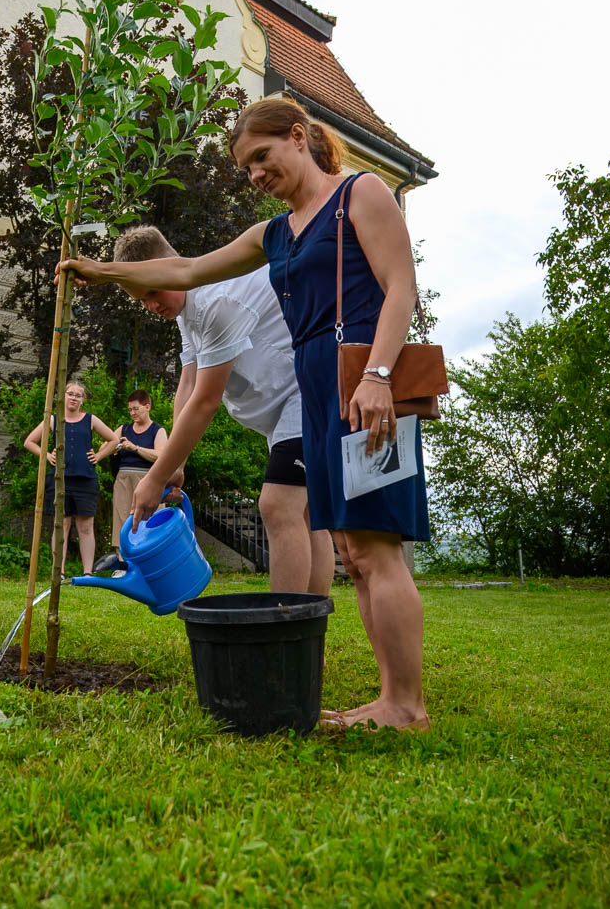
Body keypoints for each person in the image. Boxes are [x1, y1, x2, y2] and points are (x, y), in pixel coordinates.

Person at [60, 98, 430, 731]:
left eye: (262, 157)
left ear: (297, 137)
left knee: (376, 548)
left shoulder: (361, 194)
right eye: (246, 168)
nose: (256, 174)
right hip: (318, 388)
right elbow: (185, 267)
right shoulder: (275, 234)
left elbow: (403, 287)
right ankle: (390, 698)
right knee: (353, 550)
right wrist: (103, 270)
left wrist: (379, 376)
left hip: (368, 378)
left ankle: (406, 704)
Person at [109, 226, 334, 596]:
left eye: (153, 291)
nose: (151, 305)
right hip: (284, 408)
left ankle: (285, 636)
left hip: (310, 390)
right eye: (141, 300)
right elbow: (188, 382)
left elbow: (205, 401)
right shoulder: (187, 309)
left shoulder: (217, 299)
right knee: (306, 517)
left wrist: (154, 478)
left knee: (278, 505)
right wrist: (173, 463)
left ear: (173, 266)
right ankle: (307, 647)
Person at [22, 381, 120, 575]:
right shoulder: (52, 419)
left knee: (85, 526)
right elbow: (29, 442)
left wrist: (99, 456)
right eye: (70, 394)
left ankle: (87, 572)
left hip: (86, 479)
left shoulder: (91, 420)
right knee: (62, 525)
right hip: (60, 479)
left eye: (78, 395)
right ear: (63, 396)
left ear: (82, 400)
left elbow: (114, 440)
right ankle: (58, 571)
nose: (74, 398)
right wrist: (47, 455)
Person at [108, 389, 167, 551]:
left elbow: (161, 456)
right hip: (124, 479)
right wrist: (114, 448)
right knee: (122, 520)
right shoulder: (124, 429)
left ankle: (151, 561)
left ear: (147, 407)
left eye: (136, 408)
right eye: (130, 410)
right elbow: (106, 446)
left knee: (151, 521)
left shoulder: (158, 430)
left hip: (149, 480)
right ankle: (124, 564)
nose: (132, 413)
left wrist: (136, 448)